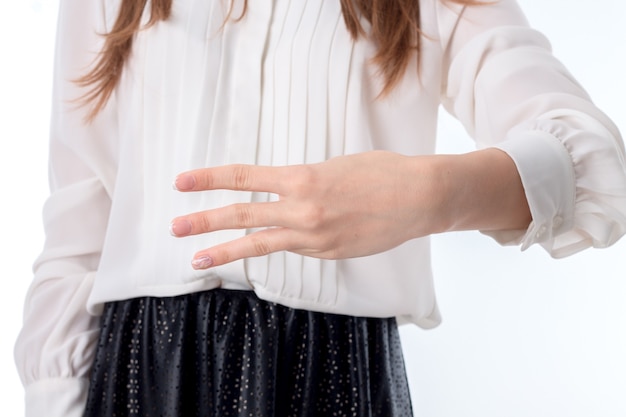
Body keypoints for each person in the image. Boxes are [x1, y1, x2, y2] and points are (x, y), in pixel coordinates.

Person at [14, 0, 626, 416]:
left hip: (333, 374)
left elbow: (593, 160)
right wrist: (54, 399)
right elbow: (78, 229)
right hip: (142, 373)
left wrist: (422, 195)